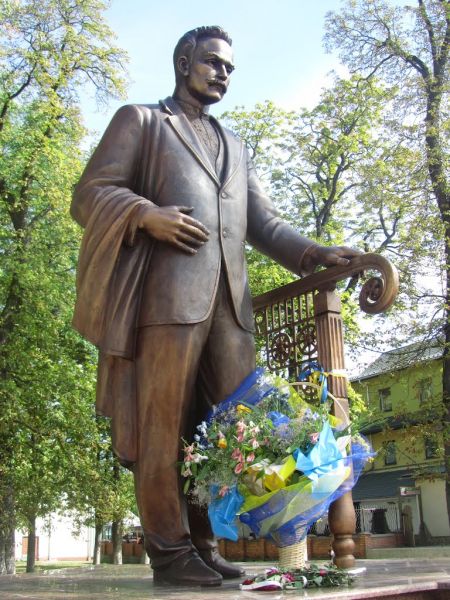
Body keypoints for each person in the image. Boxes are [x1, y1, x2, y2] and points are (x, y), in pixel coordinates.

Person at [71, 26, 359, 586]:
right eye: (212, 63)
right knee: (163, 428)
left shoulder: (236, 145)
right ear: (184, 63)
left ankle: (203, 541)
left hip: (232, 310)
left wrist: (314, 253)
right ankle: (169, 548)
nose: (223, 73)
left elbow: (264, 223)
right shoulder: (144, 121)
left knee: (226, 432)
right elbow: (90, 193)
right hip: (167, 302)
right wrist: (143, 214)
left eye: (230, 67)